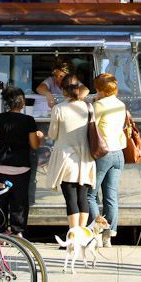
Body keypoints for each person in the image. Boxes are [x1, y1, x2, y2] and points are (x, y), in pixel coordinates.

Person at [0, 87, 43, 236]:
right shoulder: (28, 120)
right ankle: (18, 232)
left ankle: (1, 232)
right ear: (22, 103)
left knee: (1, 200)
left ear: (6, 102)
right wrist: (40, 137)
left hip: (0, 166)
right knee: (19, 201)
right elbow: (34, 145)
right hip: (21, 167)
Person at [44, 75, 96, 230]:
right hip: (85, 157)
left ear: (63, 92)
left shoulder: (58, 109)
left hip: (66, 157)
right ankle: (82, 233)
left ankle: (73, 232)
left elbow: (53, 134)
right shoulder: (88, 107)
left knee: (71, 198)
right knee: (82, 197)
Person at [86, 73, 127, 247]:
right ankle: (108, 236)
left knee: (90, 195)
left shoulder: (99, 105)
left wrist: (94, 102)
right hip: (119, 153)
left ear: (99, 89)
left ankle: (97, 231)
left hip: (103, 153)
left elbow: (91, 125)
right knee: (111, 197)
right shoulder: (121, 104)